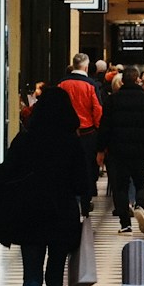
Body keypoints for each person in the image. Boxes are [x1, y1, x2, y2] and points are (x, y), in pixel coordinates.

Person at [0, 87, 93, 286]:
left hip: (29, 213)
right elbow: (83, 182)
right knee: (54, 275)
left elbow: (4, 173)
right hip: (61, 214)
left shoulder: (25, 139)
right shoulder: (71, 142)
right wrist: (85, 204)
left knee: (31, 272)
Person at [97, 66, 144, 235]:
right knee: (141, 181)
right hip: (141, 150)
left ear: (122, 81)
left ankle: (125, 224)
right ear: (138, 80)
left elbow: (105, 127)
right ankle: (140, 205)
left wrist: (100, 149)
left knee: (120, 187)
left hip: (118, 150)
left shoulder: (112, 101)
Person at [59, 53, 104, 187]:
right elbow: (97, 110)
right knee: (87, 166)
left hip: (66, 132)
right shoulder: (90, 85)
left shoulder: (62, 84)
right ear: (85, 68)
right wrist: (98, 128)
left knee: (68, 165)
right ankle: (86, 199)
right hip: (87, 132)